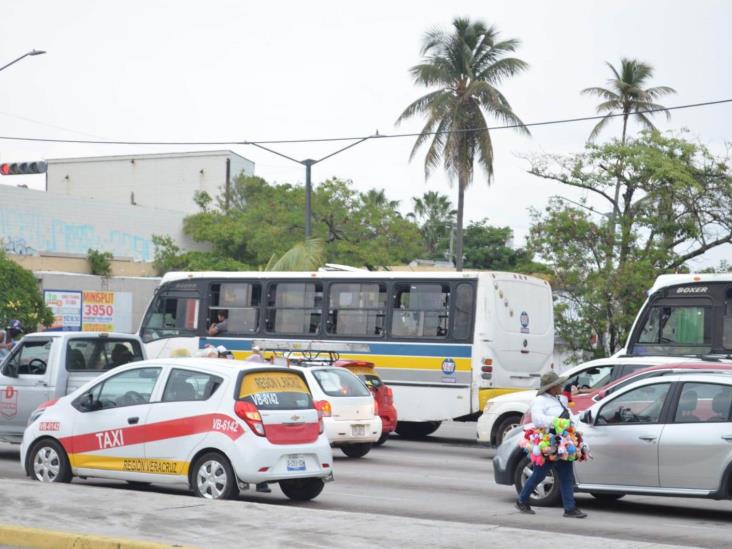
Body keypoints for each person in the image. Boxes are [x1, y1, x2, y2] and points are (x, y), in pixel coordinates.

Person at [515, 371, 588, 519]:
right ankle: (522, 500)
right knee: (539, 474)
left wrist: (575, 423)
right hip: (549, 442)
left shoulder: (560, 399)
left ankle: (570, 508)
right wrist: (556, 421)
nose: (561, 386)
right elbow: (538, 420)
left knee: (567, 475)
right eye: (558, 384)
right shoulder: (540, 401)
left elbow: (568, 416)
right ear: (551, 387)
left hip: (564, 442)